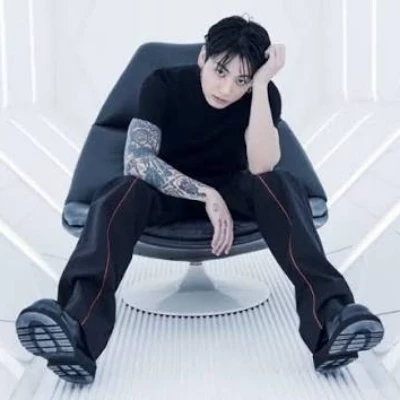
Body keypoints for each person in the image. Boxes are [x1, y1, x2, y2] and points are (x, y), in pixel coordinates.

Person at [15, 15, 384, 385]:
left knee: (281, 185)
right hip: (165, 192)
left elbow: (261, 166)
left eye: (241, 80)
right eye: (220, 71)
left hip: (235, 189)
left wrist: (260, 86)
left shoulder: (262, 95)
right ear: (202, 57)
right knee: (121, 191)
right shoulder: (162, 84)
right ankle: (76, 328)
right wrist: (206, 193)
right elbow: (138, 161)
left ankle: (330, 321)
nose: (226, 88)